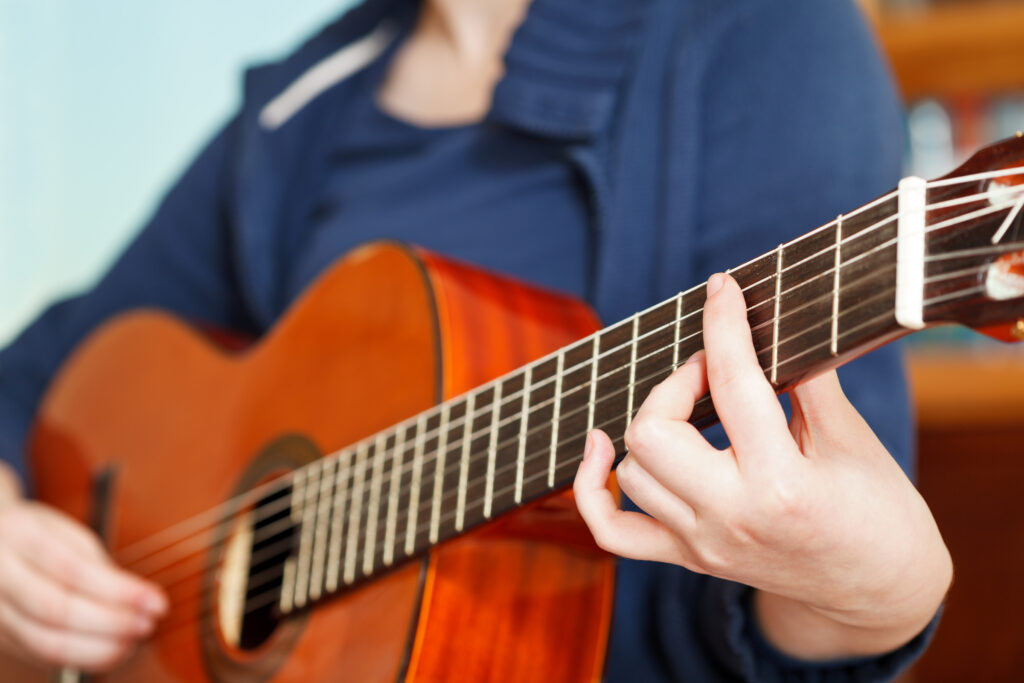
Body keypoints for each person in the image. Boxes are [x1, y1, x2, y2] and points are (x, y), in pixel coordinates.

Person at [0, 0, 951, 679]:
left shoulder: (767, 34)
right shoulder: (305, 104)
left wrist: (880, 593)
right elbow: (37, 380)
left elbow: (819, 548)